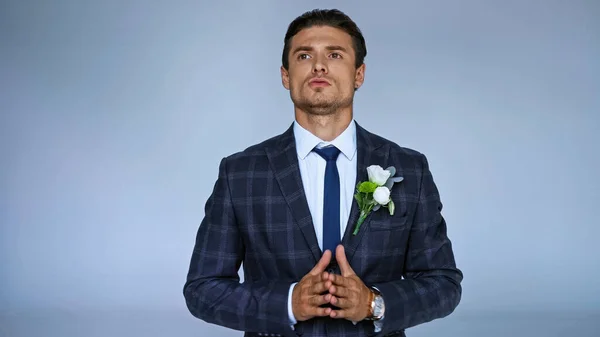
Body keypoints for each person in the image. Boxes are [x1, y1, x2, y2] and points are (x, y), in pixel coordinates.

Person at [183, 8, 463, 337]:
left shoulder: (409, 169)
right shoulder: (240, 173)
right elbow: (203, 290)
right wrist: (287, 303)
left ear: (359, 74)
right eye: (304, 55)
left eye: (334, 54)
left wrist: (375, 304)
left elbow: (443, 285)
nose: (319, 65)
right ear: (286, 75)